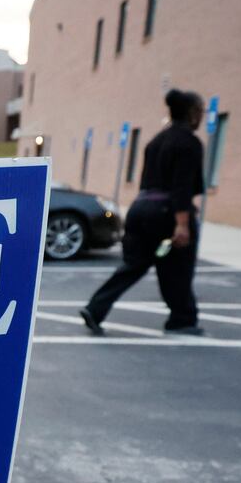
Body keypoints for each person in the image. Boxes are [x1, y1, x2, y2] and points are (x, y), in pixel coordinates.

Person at [80, 89, 206, 336]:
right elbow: (181, 187)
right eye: (201, 111)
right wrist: (182, 223)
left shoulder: (155, 141)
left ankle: (96, 308)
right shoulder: (189, 143)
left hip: (141, 208)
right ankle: (181, 319)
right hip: (167, 212)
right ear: (192, 113)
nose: (202, 116)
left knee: (133, 265)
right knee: (178, 269)